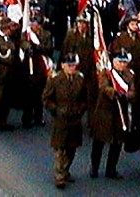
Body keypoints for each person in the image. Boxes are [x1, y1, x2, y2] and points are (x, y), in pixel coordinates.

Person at [43, 53, 88, 189]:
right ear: (62, 66)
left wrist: (81, 110)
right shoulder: (56, 80)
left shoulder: (80, 79)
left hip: (75, 118)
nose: (72, 68)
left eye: (74, 65)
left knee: (72, 148)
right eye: (69, 65)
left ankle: (66, 170)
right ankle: (59, 176)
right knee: (60, 148)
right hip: (61, 119)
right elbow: (46, 98)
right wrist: (55, 110)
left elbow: (85, 97)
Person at [91, 50, 134, 180]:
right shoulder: (106, 73)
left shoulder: (129, 75)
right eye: (119, 62)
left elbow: (133, 90)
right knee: (99, 142)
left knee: (117, 143)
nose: (122, 64)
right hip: (105, 112)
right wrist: (114, 92)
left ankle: (111, 168)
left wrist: (127, 95)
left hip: (120, 114)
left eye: (124, 62)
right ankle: (94, 167)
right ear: (113, 62)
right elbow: (103, 87)